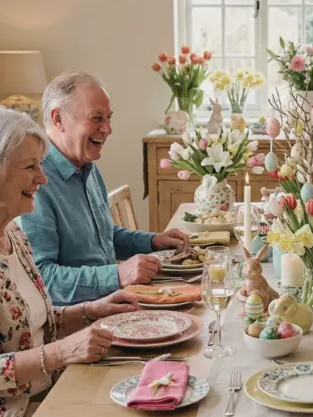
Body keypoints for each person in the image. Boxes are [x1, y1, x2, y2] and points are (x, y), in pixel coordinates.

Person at [0, 105, 139, 416]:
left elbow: (31, 323)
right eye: (29, 167)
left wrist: (89, 311)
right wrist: (62, 351)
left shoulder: (10, 232)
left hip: (42, 389)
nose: (43, 178)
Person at [19, 71, 191, 306]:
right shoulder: (35, 183)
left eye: (109, 118)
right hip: (76, 323)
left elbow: (104, 237)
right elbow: (41, 279)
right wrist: (118, 274)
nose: (108, 129)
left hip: (112, 303)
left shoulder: (85, 166)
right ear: (58, 119)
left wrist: (153, 241)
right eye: (96, 118)